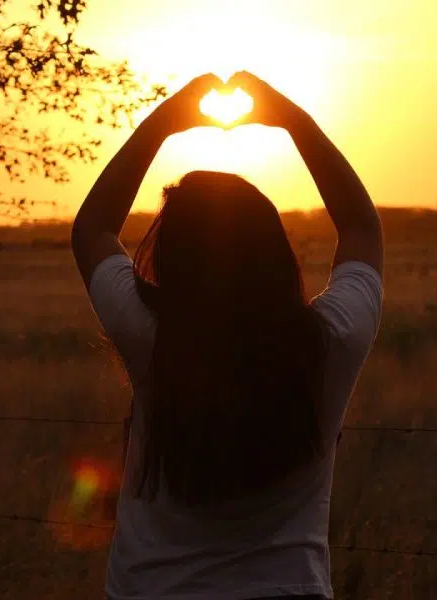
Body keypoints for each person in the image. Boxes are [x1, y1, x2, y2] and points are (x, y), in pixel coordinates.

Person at [71, 71, 384, 600]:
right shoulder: (330, 344)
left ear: (174, 259)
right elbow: (360, 226)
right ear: (275, 253)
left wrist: (165, 122)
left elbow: (93, 228)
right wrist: (292, 120)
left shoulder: (153, 340)